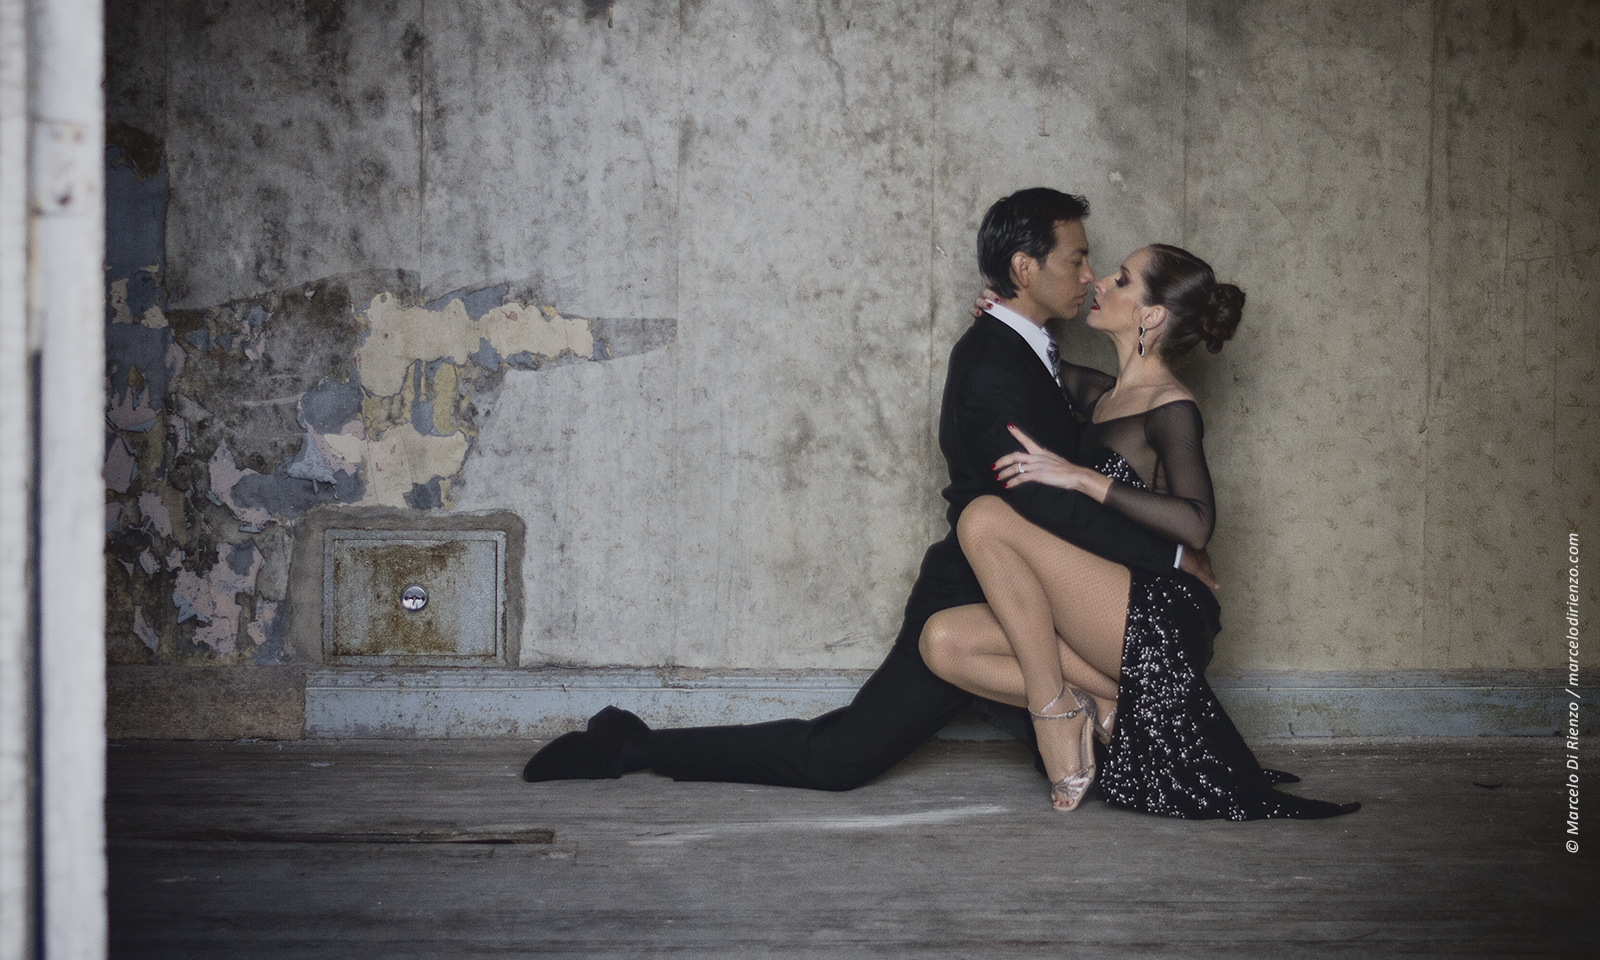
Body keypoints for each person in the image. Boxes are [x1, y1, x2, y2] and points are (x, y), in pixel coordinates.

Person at [523, 188, 1210, 790]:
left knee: (1110, 695)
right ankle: (633, 746)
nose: (1090, 276)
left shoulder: (1039, 355)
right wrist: (1172, 562)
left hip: (1035, 589)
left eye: (1104, 269)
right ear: (1025, 268)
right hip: (979, 585)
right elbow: (1040, 502)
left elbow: (1086, 436)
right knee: (844, 757)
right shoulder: (993, 364)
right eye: (1076, 260)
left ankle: (1096, 729)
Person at [920, 243, 1359, 819]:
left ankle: (1053, 716)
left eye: (1122, 280)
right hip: (1103, 599)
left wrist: (1082, 478)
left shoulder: (1170, 406)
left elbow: (1197, 522)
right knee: (943, 642)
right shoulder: (1098, 393)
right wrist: (1001, 310)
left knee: (983, 517)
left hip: (1159, 610)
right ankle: (1100, 706)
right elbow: (1030, 356)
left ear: (1151, 315)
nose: (1100, 282)